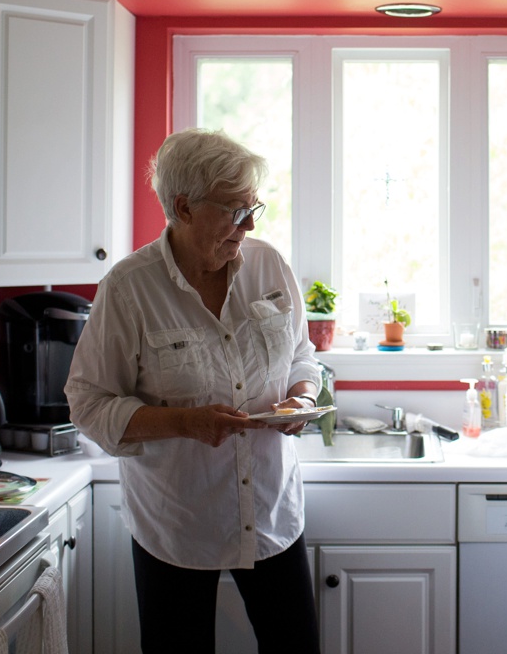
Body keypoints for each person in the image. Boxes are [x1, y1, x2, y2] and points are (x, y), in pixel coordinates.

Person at [65, 128, 322, 654]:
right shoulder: (129, 288)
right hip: (178, 527)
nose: (249, 225)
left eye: (255, 209)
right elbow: (89, 404)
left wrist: (302, 397)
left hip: (271, 511)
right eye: (234, 211)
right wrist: (186, 422)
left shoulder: (269, 264)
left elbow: (302, 355)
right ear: (183, 207)